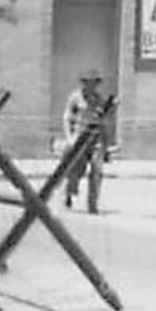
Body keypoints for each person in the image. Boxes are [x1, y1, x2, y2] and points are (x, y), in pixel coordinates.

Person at [61, 68, 115, 214]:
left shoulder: (101, 101)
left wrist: (107, 144)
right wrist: (69, 137)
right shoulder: (75, 98)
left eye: (94, 83)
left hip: (95, 140)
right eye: (87, 82)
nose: (90, 86)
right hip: (79, 138)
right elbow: (67, 118)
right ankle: (69, 194)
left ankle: (93, 204)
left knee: (97, 170)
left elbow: (106, 123)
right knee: (75, 169)